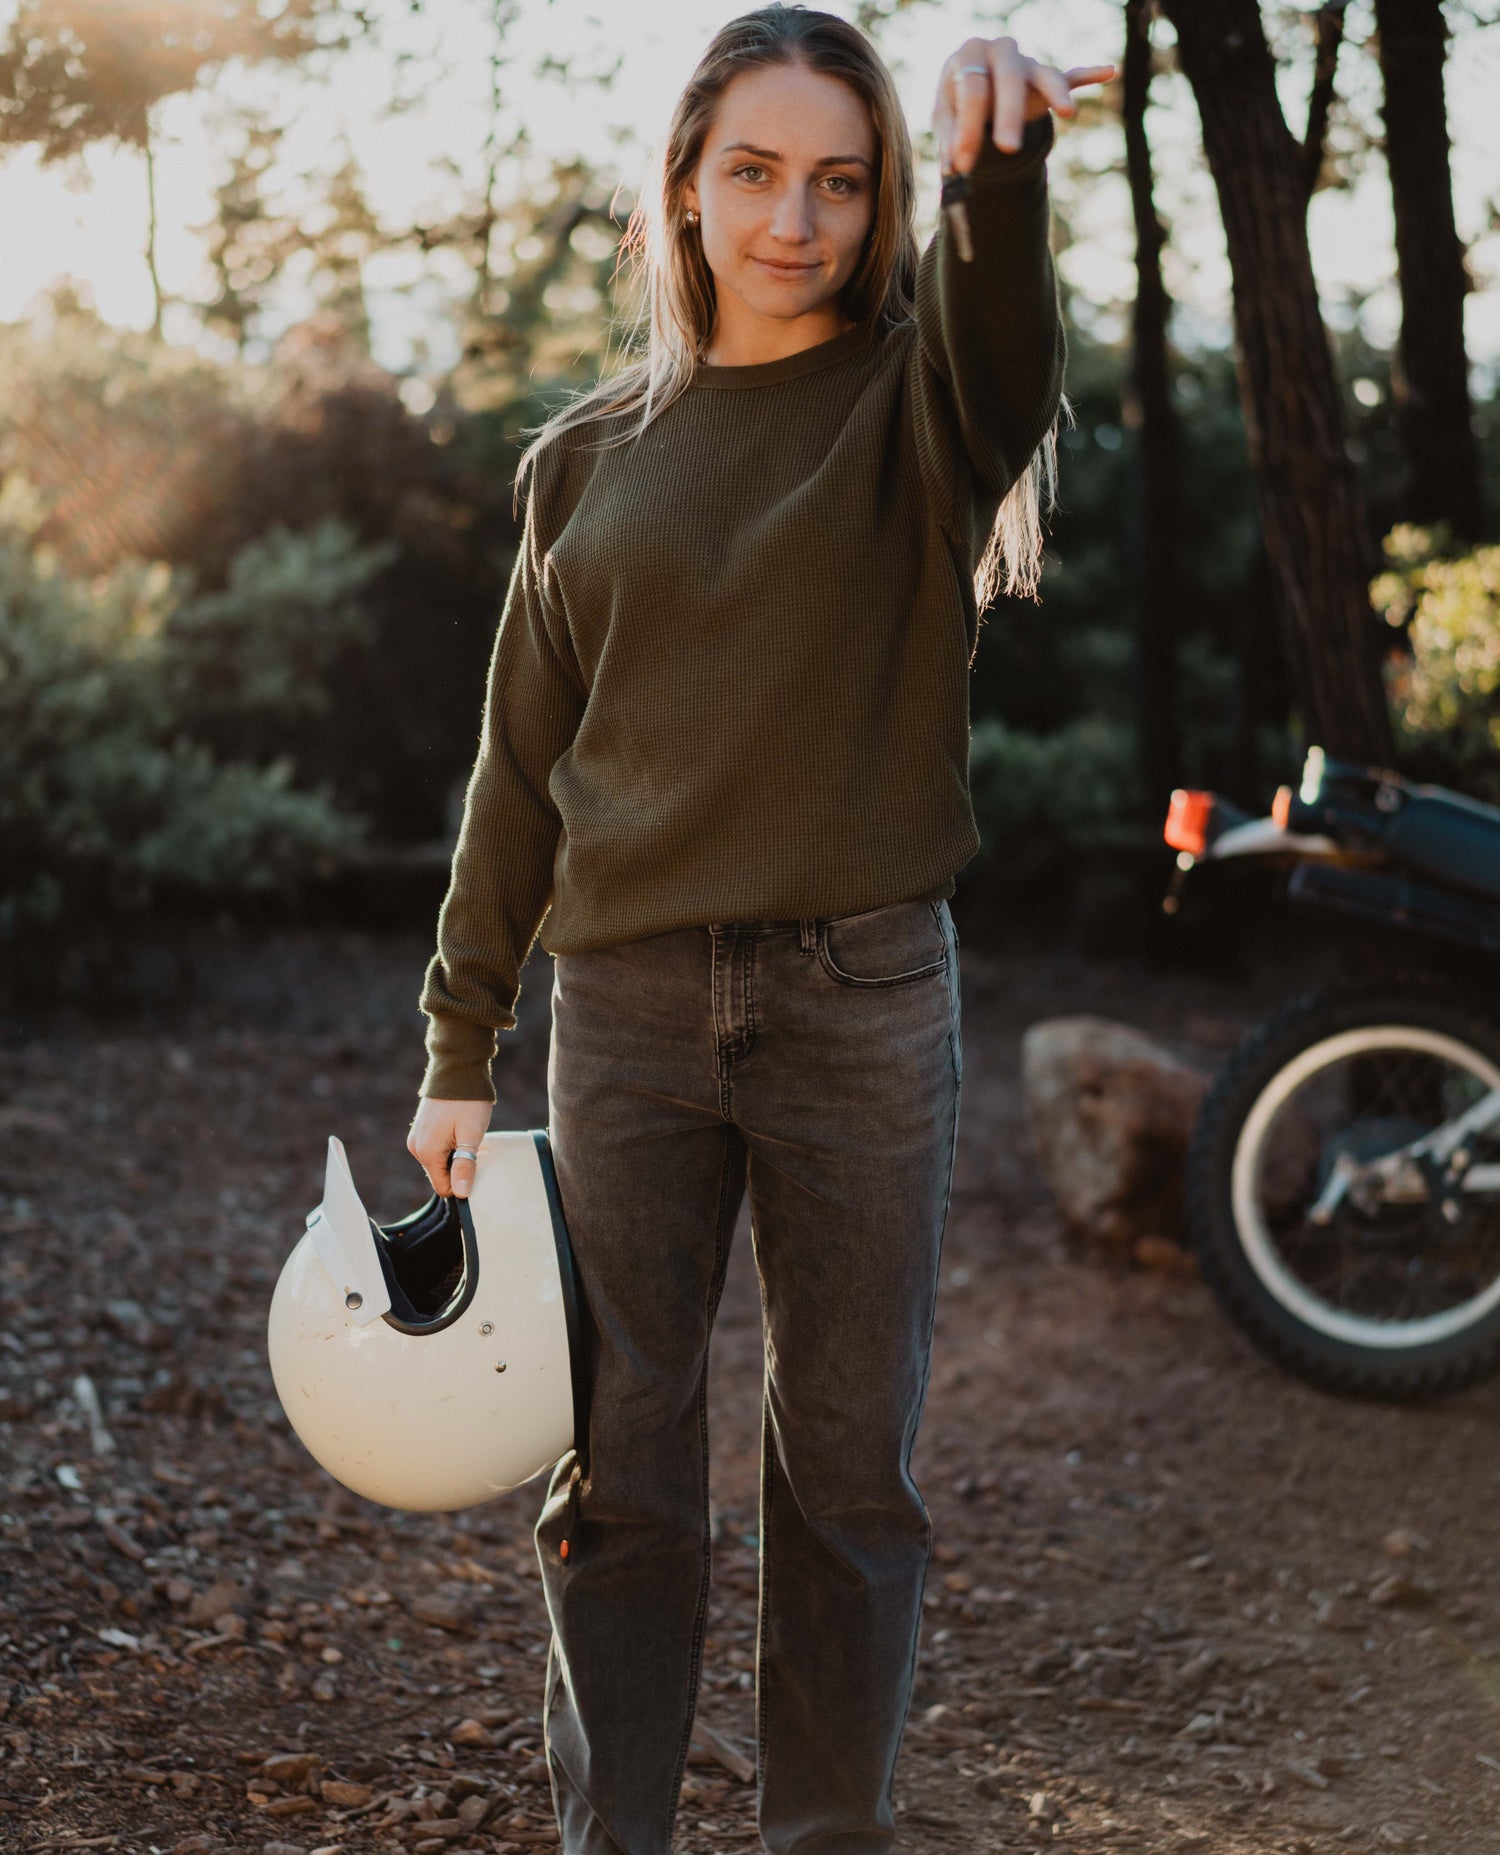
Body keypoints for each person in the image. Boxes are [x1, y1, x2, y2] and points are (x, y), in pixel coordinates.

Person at [407, 8, 1113, 1852]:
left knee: (851, 1479)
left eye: (841, 182)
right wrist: (460, 1044)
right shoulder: (583, 460)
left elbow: (1009, 340)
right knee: (621, 1469)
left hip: (861, 998)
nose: (796, 220)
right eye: (755, 173)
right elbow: (518, 770)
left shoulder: (922, 410)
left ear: (884, 204)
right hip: (626, 1013)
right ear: (685, 190)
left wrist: (997, 177)